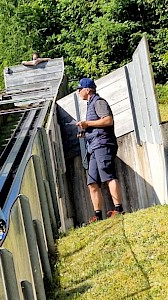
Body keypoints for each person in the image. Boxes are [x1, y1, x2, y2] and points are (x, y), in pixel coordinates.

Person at [75, 78, 124, 223]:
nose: (78, 92)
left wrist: (87, 123)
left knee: (108, 175)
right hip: (94, 146)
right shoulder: (91, 104)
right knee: (92, 182)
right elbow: (98, 124)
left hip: (103, 144)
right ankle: (98, 215)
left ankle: (119, 209)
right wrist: (86, 131)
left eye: (80, 89)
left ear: (87, 90)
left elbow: (108, 120)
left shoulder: (99, 102)